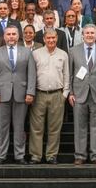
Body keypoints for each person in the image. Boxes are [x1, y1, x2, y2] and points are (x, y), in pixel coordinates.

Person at [0, 25, 36, 165]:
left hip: (22, 95)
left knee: (20, 127)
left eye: (14, 34)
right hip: (2, 95)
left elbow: (31, 74)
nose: (11, 37)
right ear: (4, 36)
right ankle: (1, 156)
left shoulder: (27, 52)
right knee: (2, 127)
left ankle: (19, 155)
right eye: (8, 34)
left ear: (18, 36)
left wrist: (30, 92)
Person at [68, 23, 96, 165]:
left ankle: (95, 155)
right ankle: (80, 155)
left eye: (92, 33)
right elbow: (70, 74)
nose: (90, 35)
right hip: (79, 93)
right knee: (80, 126)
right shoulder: (73, 51)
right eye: (87, 33)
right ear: (82, 35)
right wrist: (71, 92)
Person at [29, 28, 69, 165]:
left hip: (57, 94)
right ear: (44, 39)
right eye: (48, 38)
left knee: (54, 127)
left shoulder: (63, 54)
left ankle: (51, 155)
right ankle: (36, 156)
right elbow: (31, 75)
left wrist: (65, 94)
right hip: (39, 94)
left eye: (53, 38)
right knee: (36, 127)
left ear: (56, 38)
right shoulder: (35, 54)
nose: (51, 40)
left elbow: (67, 75)